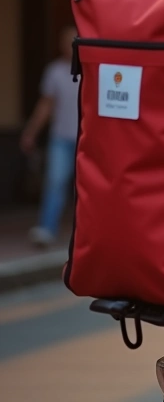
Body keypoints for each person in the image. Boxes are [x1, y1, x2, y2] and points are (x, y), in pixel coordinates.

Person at [20, 26, 79, 247]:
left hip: (87, 140)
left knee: (86, 189)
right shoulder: (54, 71)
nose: (70, 47)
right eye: (67, 42)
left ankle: (87, 234)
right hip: (61, 138)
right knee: (55, 182)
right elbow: (46, 105)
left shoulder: (92, 69)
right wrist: (31, 132)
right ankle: (47, 229)